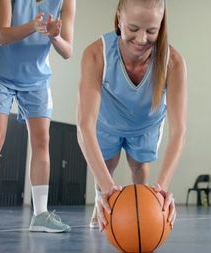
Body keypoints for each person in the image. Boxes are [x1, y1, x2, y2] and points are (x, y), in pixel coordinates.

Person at [77, 0, 187, 231]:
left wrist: (162, 189)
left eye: (151, 31)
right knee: (107, 165)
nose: (141, 39)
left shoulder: (174, 62)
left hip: (145, 124)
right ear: (119, 19)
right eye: (133, 29)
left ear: (161, 25)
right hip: (108, 122)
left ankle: (143, 208)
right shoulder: (96, 54)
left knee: (139, 165)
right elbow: (84, 125)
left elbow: (179, 131)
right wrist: (107, 190)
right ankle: (100, 203)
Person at [0, 0, 75, 236]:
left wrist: (54, 36)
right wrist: (33, 26)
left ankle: (40, 214)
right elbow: (1, 35)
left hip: (36, 78)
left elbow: (68, 51)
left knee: (42, 140)